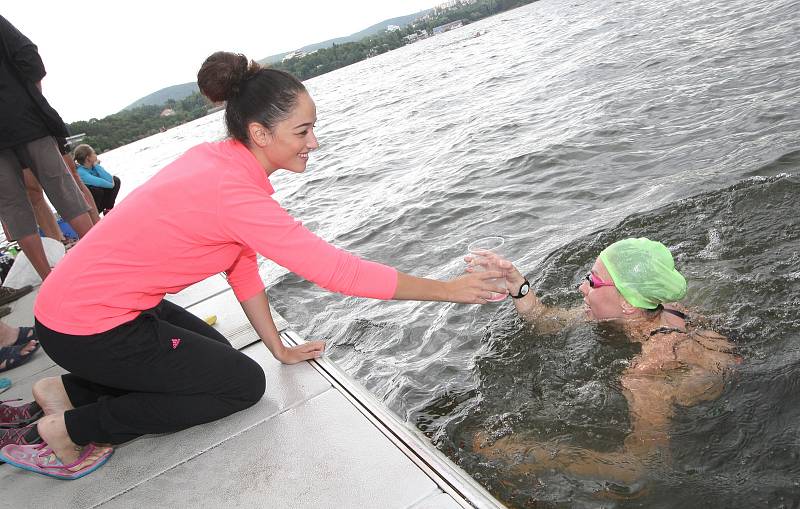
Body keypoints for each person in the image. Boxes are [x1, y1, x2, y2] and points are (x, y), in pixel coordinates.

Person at [1, 51, 507, 480]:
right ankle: (66, 429)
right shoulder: (236, 193)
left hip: (85, 308)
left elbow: (241, 267)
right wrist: (451, 289)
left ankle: (61, 389)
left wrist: (278, 348)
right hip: (85, 327)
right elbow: (339, 273)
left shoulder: (219, 159)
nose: (314, 143)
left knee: (216, 357)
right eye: (303, 130)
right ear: (260, 132)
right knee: (239, 385)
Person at [470, 238, 738, 485]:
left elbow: (639, 465)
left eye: (593, 282)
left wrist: (532, 454)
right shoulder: (660, 309)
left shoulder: (647, 371)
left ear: (627, 304)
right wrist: (517, 284)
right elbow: (546, 321)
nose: (581, 287)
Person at [0, 15, 94, 282]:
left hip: (20, 119)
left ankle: (47, 277)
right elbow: (29, 56)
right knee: (61, 187)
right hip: (25, 117)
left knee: (13, 206)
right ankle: (97, 255)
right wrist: (29, 96)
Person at [73, 144, 121, 215]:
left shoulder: (93, 167)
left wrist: (96, 166)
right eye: (94, 153)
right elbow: (106, 184)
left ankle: (108, 210)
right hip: (91, 206)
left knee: (116, 180)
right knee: (96, 190)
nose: (96, 155)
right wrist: (111, 184)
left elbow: (110, 179)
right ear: (88, 158)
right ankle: (95, 215)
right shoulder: (81, 172)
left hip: (100, 201)